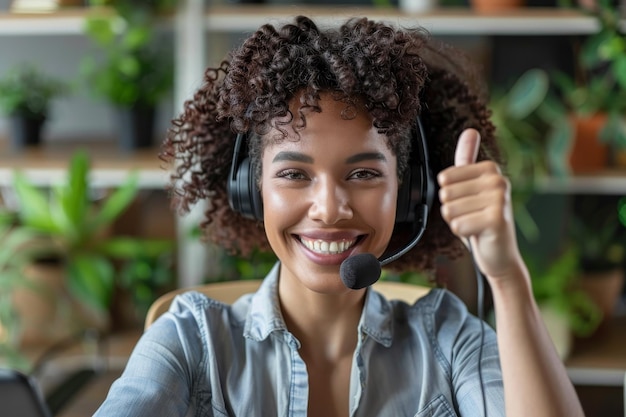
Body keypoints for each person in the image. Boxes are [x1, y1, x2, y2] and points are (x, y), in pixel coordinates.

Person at [94, 16, 584, 417]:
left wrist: (506, 276)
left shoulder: (448, 340)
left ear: (409, 193)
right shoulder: (190, 338)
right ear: (251, 188)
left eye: (365, 173)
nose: (329, 208)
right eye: (293, 174)